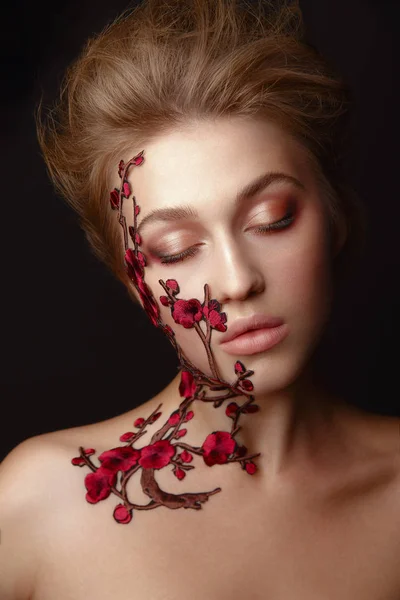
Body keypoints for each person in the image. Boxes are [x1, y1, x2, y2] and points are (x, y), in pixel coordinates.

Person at [0, 0, 399, 598]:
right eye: (177, 249)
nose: (237, 280)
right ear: (132, 279)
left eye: (272, 218)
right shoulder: (38, 505)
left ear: (334, 216)